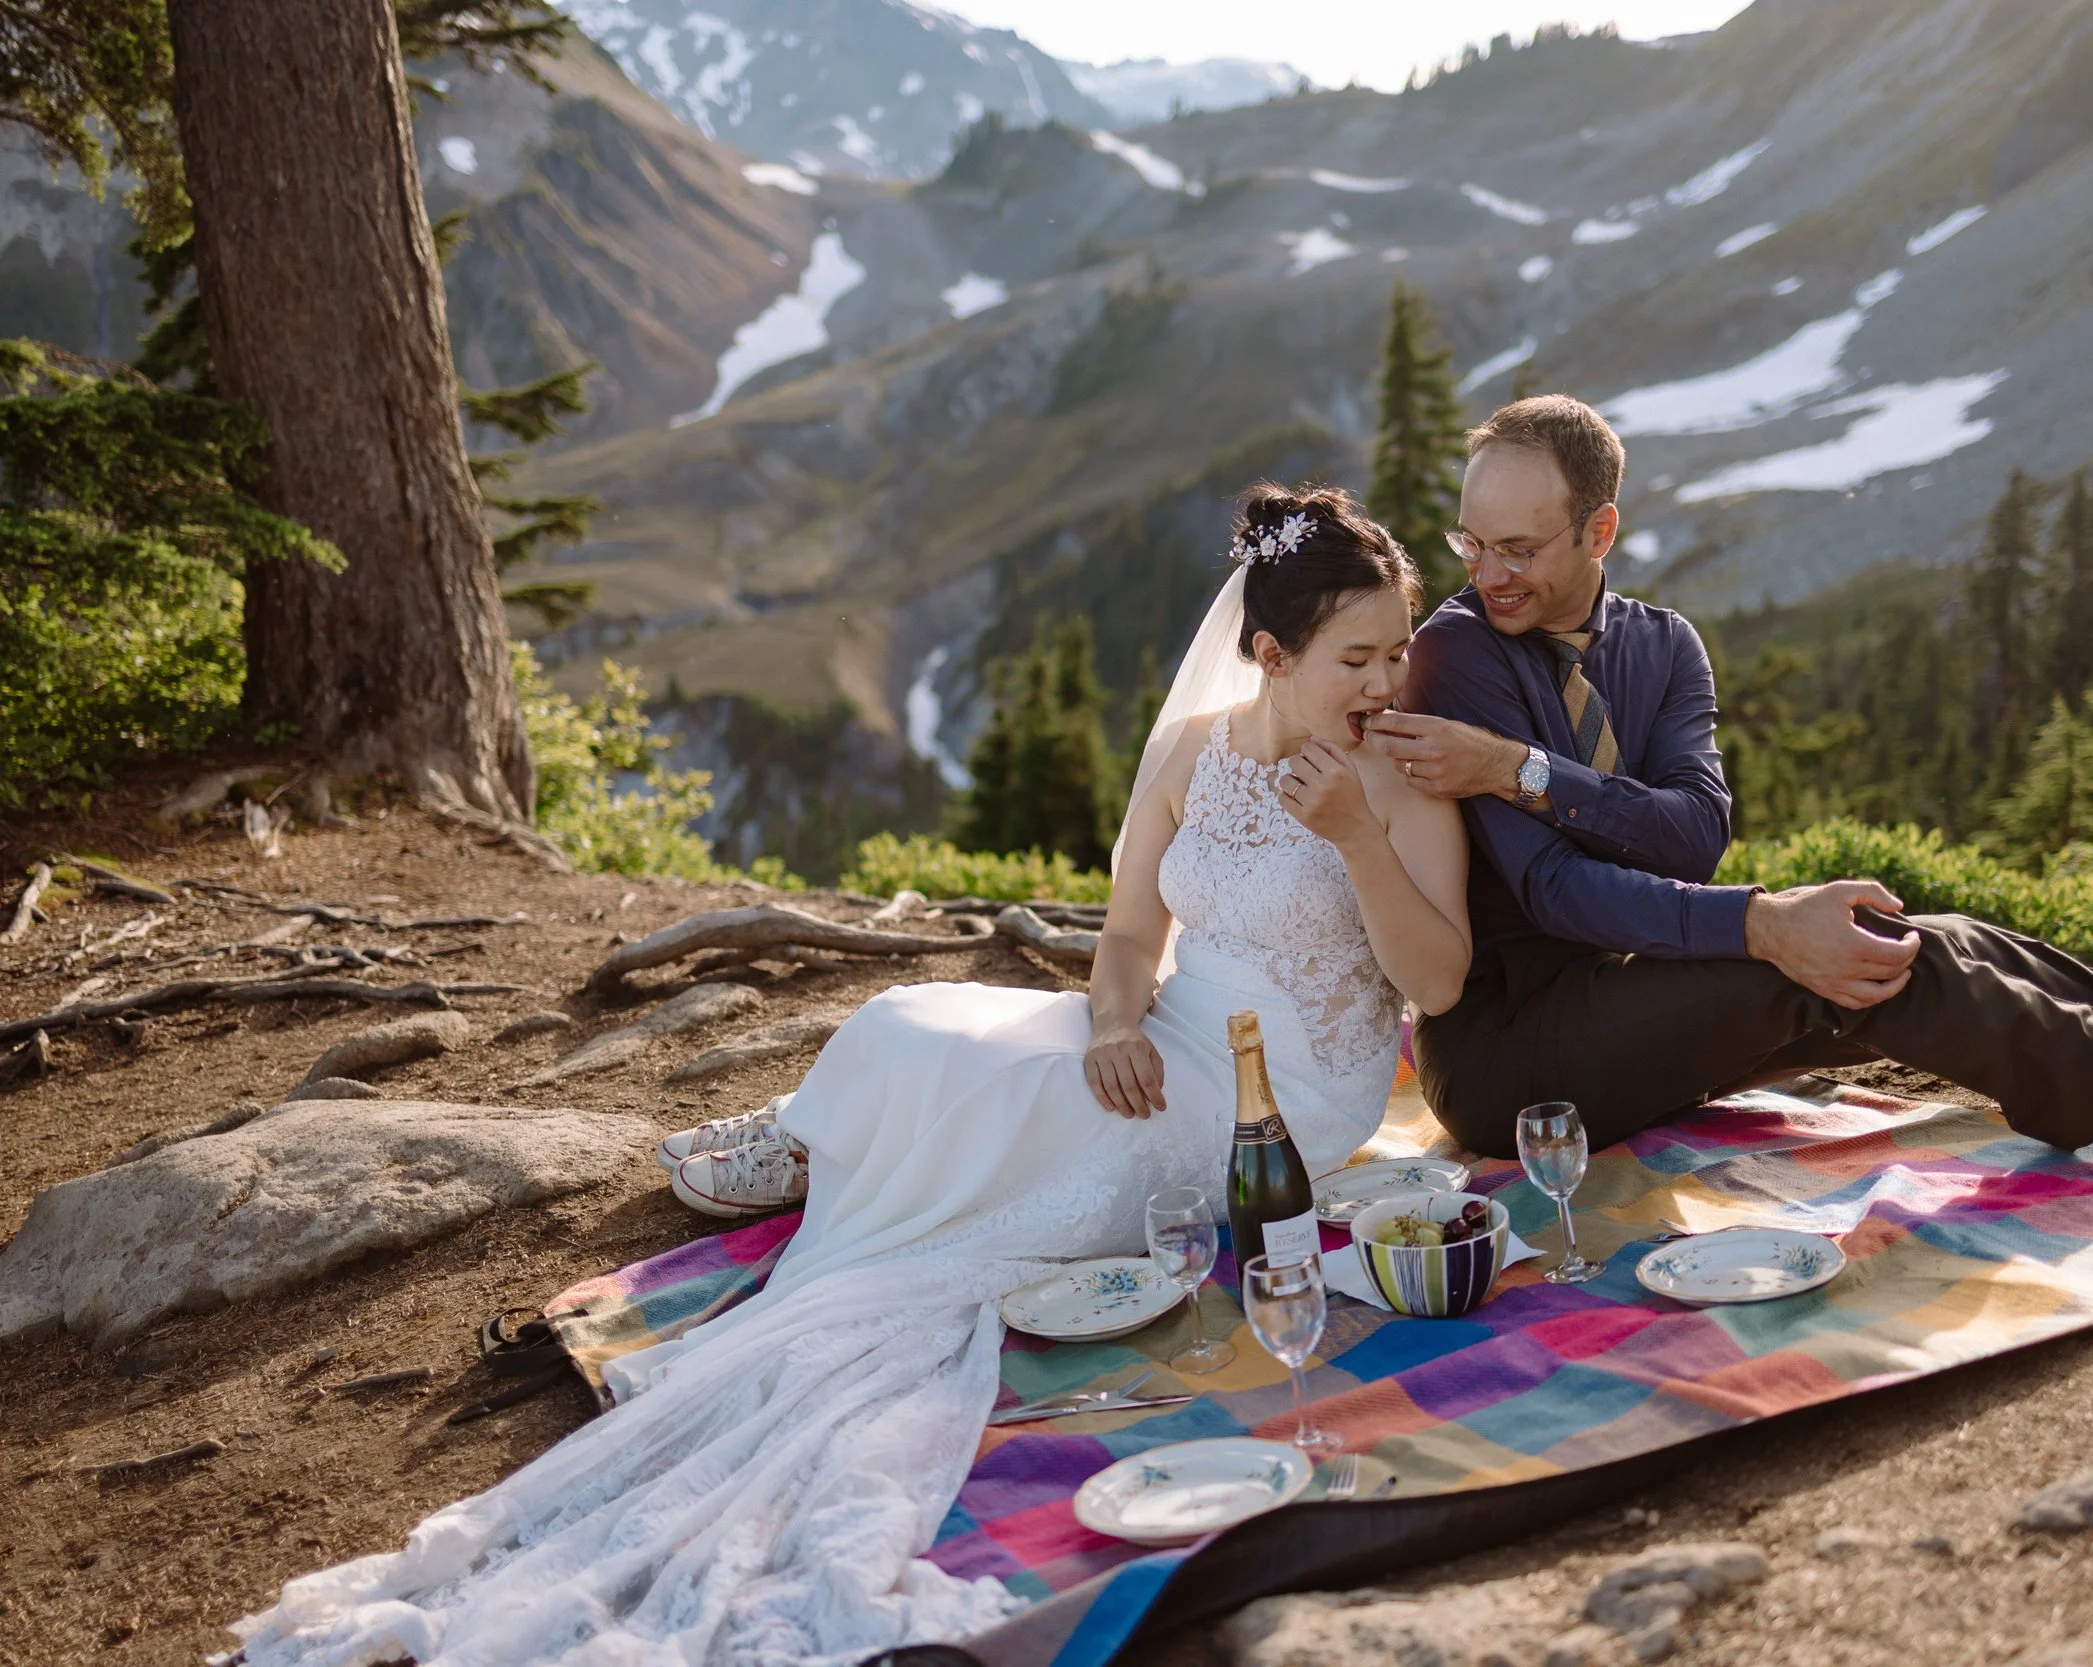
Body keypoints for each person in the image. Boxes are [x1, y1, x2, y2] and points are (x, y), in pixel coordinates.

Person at [228, 486, 1471, 1667]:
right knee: (913, 1018)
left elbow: (1444, 976)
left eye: (1394, 649)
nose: (1382, 680)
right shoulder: (1194, 750)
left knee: (1022, 1112)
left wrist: (1356, 838)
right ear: (1264, 650)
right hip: (1174, 1027)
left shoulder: (1399, 777)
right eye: (1352, 657)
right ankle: (819, 1141)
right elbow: (1134, 933)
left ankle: (844, 1169)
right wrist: (1106, 1019)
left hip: (1291, 1093)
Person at [1369, 394, 2093, 1160]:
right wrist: (1762, 925)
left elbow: (1690, 836)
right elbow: (1557, 891)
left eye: (1519, 547)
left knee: (1935, 936)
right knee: (1834, 962)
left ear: (1599, 526)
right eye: (1473, 545)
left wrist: (1524, 767)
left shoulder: (1664, 647)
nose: (1489, 574)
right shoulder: (1459, 654)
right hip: (1518, 1059)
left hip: (1636, 988)